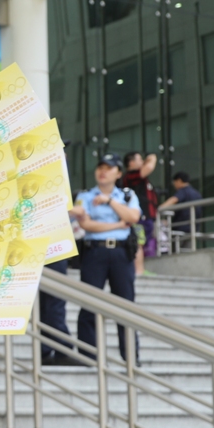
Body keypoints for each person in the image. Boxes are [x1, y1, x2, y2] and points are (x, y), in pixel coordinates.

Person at [70, 154, 141, 362]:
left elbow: (133, 217)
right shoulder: (85, 196)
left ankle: (130, 357)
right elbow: (86, 225)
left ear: (118, 173)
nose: (103, 172)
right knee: (89, 304)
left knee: (126, 305)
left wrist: (109, 201)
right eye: (100, 167)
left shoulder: (127, 195)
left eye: (109, 168)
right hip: (95, 252)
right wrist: (118, 224)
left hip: (121, 253)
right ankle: (88, 355)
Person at [120, 151, 158, 274]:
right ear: (131, 163)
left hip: (146, 217)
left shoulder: (139, 177)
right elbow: (149, 167)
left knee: (142, 243)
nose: (142, 162)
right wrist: (152, 158)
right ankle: (138, 271)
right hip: (138, 217)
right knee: (137, 243)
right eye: (140, 160)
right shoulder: (131, 176)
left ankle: (139, 269)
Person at [160, 171, 202, 243]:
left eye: (174, 183)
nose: (174, 185)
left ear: (179, 180)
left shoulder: (183, 191)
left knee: (176, 249)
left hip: (181, 229)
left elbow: (173, 200)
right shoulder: (197, 193)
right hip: (194, 228)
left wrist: (158, 209)